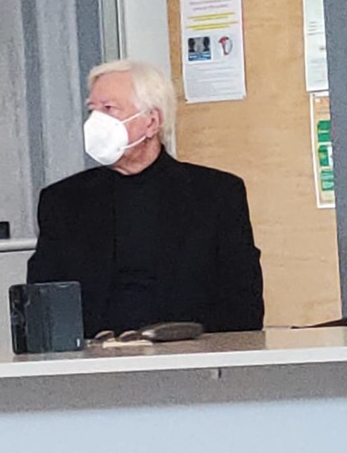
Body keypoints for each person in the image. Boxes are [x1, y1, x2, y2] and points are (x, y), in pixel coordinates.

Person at [26, 60, 263, 337]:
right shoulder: (63, 201)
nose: (96, 122)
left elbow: (242, 304)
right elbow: (42, 307)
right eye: (92, 110)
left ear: (152, 122)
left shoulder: (215, 194)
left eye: (109, 108)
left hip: (187, 352)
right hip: (95, 355)